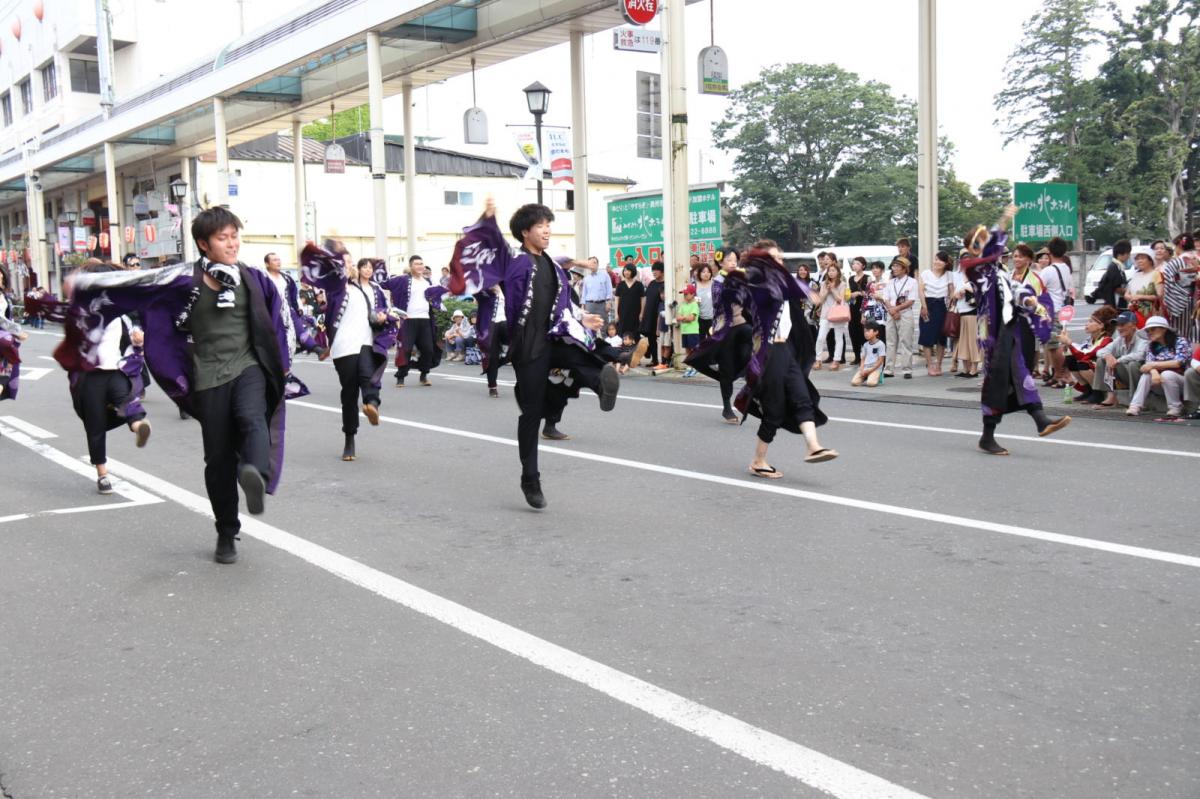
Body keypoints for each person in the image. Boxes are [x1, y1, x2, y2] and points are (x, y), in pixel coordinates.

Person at [61, 207, 294, 564]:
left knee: (252, 418)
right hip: (207, 378)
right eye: (222, 238)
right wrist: (83, 285)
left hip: (250, 368)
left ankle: (254, 474)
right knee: (217, 461)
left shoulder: (254, 279)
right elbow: (134, 286)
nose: (231, 244)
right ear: (203, 244)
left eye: (235, 236)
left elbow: (279, 322)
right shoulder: (184, 281)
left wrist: (283, 365)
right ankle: (226, 531)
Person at [447, 200, 619, 509]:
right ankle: (530, 478)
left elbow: (564, 303)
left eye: (549, 225)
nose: (547, 230)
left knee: (577, 353)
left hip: (555, 334)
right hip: (527, 343)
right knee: (531, 412)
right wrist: (488, 222)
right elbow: (490, 260)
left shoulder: (552, 265)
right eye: (541, 225)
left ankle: (602, 385)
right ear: (525, 232)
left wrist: (582, 319)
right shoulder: (517, 262)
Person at [961, 206, 1070, 455]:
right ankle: (989, 436)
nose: (988, 245)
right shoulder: (972, 265)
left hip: (1008, 329)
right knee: (996, 382)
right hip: (990, 333)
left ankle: (1040, 420)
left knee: (1021, 374)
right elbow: (991, 253)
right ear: (973, 248)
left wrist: (1031, 302)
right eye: (981, 242)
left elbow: (1016, 291)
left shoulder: (1000, 272)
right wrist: (1003, 221)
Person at [737, 241, 836, 479]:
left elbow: (815, 300)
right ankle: (758, 460)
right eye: (773, 259)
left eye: (780, 258)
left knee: (803, 398)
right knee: (775, 410)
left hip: (786, 350)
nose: (779, 262)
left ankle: (813, 447)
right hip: (769, 353)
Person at [55, 262, 153, 493]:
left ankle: (139, 427)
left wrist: (138, 340)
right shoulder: (80, 312)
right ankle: (102, 474)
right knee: (95, 425)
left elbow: (131, 338)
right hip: (89, 377)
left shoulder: (121, 314)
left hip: (115, 371)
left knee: (129, 403)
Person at [302, 251, 400, 461]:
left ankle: (372, 404)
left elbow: (381, 308)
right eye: (347, 265)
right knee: (349, 392)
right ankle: (349, 439)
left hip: (365, 341)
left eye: (350, 264)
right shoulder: (337, 290)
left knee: (367, 375)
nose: (352, 268)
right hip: (343, 346)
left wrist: (383, 316)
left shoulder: (373, 290)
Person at [686, 261, 753, 424]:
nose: (732, 263)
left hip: (741, 325)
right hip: (723, 328)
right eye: (729, 260)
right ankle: (727, 407)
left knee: (748, 346)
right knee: (724, 369)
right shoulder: (718, 284)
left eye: (734, 260)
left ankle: (737, 378)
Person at [386, 255, 446, 387]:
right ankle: (401, 377)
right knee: (405, 349)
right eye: (417, 264)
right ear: (411, 266)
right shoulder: (402, 280)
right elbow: (385, 284)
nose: (420, 266)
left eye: (421, 264)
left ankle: (423, 375)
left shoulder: (429, 282)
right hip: (408, 320)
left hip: (425, 320)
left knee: (428, 350)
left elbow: (439, 294)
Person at [1126, 315, 1190, 417]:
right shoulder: (1150, 346)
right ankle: (1135, 406)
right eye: (1148, 331)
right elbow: (1147, 366)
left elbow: (1178, 362)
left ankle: (1175, 407)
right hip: (1160, 381)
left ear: (1164, 329)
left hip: (1182, 382)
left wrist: (1153, 365)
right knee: (1146, 376)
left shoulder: (1180, 341)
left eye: (1153, 329)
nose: (1150, 332)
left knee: (1167, 374)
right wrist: (1154, 372)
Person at [1056, 306, 1117, 403]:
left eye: (1091, 321)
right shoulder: (1090, 339)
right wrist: (1066, 346)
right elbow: (1078, 351)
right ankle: (1088, 391)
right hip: (1097, 371)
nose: (1087, 324)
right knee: (1070, 359)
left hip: (1107, 373)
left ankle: (1098, 393)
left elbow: (1085, 355)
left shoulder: (1106, 340)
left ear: (1101, 325)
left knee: (1083, 363)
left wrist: (1069, 343)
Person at [1091, 311, 1148, 409]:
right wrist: (1108, 356)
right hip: (1125, 375)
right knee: (1102, 360)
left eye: (1122, 324)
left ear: (1133, 325)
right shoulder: (1120, 339)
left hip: (1141, 376)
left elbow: (1140, 355)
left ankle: (1136, 399)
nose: (1119, 328)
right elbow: (1100, 351)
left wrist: (1118, 360)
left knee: (1133, 364)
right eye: (1117, 325)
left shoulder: (1142, 338)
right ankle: (1110, 396)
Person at [876, 257, 918, 378]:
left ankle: (907, 370)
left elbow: (911, 300)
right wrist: (892, 310)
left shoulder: (912, 282)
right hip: (891, 312)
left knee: (906, 341)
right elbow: (886, 298)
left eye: (897, 266)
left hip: (905, 313)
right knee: (890, 342)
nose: (894, 269)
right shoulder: (890, 282)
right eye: (893, 266)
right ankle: (889, 369)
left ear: (904, 269)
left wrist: (897, 309)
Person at [1040, 237, 1073, 386]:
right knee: (1056, 345)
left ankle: (1062, 376)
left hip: (1053, 310)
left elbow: (1037, 288)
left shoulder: (1048, 270)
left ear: (1049, 251)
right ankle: (1058, 375)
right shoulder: (1066, 268)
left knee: (1055, 346)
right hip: (1064, 310)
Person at [918, 251, 953, 376]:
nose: (937, 262)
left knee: (941, 337)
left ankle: (938, 364)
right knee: (926, 336)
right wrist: (924, 306)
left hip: (941, 306)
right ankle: (930, 364)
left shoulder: (949, 275)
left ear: (945, 263)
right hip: (927, 304)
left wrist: (951, 305)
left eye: (940, 260)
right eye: (936, 259)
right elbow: (921, 291)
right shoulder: (926, 273)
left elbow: (951, 292)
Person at [813, 258, 851, 371]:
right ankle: (818, 359)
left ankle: (836, 360)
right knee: (820, 338)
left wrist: (833, 289)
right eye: (829, 271)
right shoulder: (823, 283)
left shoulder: (843, 284)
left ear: (838, 272)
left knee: (838, 338)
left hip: (838, 314)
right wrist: (826, 290)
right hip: (825, 314)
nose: (831, 273)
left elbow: (840, 300)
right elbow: (820, 299)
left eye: (833, 271)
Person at [949, 253, 981, 377]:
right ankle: (966, 368)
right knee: (963, 342)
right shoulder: (959, 277)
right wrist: (957, 295)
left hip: (972, 312)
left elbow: (982, 291)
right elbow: (954, 295)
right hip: (961, 312)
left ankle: (974, 368)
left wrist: (966, 289)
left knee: (973, 341)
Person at [1162, 234, 1197, 340]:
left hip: (1180, 302)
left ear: (1179, 245)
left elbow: (1168, 282)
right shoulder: (1197, 259)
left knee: (1180, 333)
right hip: (1196, 299)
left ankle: (1182, 354)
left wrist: (1171, 303)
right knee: (1194, 331)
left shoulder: (1175, 262)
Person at [1088, 239, 1130, 308]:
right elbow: (1117, 288)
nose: (1128, 256)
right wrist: (1130, 292)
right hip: (1114, 304)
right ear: (1120, 254)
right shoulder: (1115, 267)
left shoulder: (1117, 266)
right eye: (1127, 253)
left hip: (1114, 303)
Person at [641, 262, 667, 371]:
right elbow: (646, 299)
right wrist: (643, 312)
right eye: (653, 270)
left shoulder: (666, 284)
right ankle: (654, 359)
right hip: (649, 314)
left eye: (656, 270)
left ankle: (666, 360)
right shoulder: (651, 283)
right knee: (650, 337)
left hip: (661, 315)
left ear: (662, 271)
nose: (654, 272)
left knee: (663, 339)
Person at [1126, 251, 1163, 325]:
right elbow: (1126, 294)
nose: (1139, 261)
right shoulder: (1135, 275)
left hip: (1150, 313)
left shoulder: (1156, 274)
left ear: (1150, 260)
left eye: (1142, 258)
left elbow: (1159, 295)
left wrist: (1140, 297)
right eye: (1137, 259)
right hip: (1134, 312)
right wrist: (1131, 298)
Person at [847, 256, 870, 362]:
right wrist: (850, 294)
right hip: (852, 307)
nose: (854, 266)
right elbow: (848, 293)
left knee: (863, 332)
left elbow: (869, 293)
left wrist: (859, 293)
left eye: (857, 264)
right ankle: (857, 356)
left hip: (863, 307)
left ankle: (866, 356)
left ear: (863, 266)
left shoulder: (867, 278)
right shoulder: (851, 278)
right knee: (853, 331)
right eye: (853, 263)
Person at [614, 264, 645, 341]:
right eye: (625, 270)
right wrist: (616, 314)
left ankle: (635, 351)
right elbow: (617, 299)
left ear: (633, 271)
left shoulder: (639, 285)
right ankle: (623, 351)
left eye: (628, 270)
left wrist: (641, 313)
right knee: (622, 333)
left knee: (635, 334)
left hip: (635, 313)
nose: (626, 272)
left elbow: (643, 299)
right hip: (623, 313)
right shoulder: (620, 285)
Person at [580, 256, 613, 327]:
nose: (592, 264)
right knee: (589, 326)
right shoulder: (586, 278)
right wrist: (583, 306)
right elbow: (584, 293)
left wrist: (608, 302)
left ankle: (604, 338)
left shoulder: (605, 275)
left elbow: (609, 289)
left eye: (594, 262)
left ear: (598, 264)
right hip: (589, 305)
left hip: (602, 304)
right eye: (590, 263)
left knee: (603, 326)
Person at [850, 321, 886, 387]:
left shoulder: (881, 344)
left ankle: (877, 376)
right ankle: (867, 376)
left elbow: (881, 361)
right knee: (854, 382)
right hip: (865, 368)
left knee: (871, 383)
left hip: (875, 369)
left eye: (868, 331)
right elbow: (863, 359)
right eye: (865, 331)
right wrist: (861, 369)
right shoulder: (865, 345)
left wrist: (870, 370)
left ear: (876, 332)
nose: (866, 333)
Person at [677, 285, 701, 377]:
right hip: (685, 331)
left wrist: (683, 318)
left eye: (686, 294)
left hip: (693, 331)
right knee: (687, 350)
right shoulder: (683, 305)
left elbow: (692, 318)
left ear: (692, 294)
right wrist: (684, 318)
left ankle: (695, 367)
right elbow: (678, 317)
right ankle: (689, 367)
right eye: (684, 294)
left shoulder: (695, 305)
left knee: (693, 350)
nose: (685, 295)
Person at [694, 263, 716, 339]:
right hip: (700, 318)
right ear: (699, 273)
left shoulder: (714, 284)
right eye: (703, 272)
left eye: (708, 272)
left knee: (713, 340)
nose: (706, 274)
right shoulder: (695, 285)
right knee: (701, 341)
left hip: (713, 318)